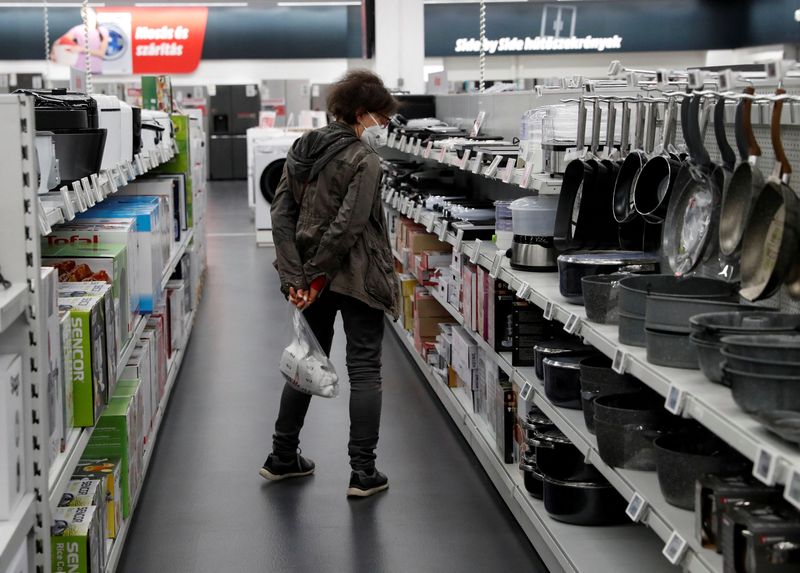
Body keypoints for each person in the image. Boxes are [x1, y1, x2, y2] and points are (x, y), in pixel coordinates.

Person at [262, 70, 400, 498]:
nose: (385, 126)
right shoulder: (365, 158)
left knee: (307, 359)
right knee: (364, 369)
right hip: (357, 277)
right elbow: (350, 225)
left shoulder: (302, 148)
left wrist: (297, 278)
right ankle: (363, 472)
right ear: (361, 114)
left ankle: (282, 456)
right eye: (381, 117)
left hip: (309, 277)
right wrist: (318, 274)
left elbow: (281, 215)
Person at [51, 7, 109, 75]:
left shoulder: (103, 31)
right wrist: (53, 54)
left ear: (95, 14)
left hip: (96, 70)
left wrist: (81, 49)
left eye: (89, 13)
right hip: (79, 69)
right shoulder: (77, 30)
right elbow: (58, 42)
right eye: (84, 14)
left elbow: (101, 53)